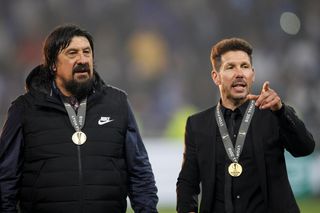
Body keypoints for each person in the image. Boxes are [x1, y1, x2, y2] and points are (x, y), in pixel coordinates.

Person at [0, 24, 158, 213]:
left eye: (87, 52)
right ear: (53, 64)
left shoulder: (117, 103)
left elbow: (139, 172)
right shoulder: (25, 109)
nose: (82, 60)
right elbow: (6, 178)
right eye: (72, 53)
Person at [176, 38, 315, 213]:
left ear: (253, 74)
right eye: (230, 67)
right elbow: (188, 181)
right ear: (216, 77)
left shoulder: (274, 114)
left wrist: (281, 111)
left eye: (244, 66)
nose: (239, 73)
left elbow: (305, 148)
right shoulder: (197, 125)